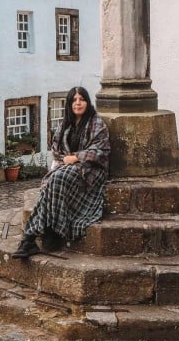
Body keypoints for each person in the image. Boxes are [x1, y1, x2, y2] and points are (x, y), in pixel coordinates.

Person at [12, 86, 110, 258]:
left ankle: (45, 233)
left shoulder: (96, 123)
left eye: (82, 99)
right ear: (70, 104)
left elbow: (101, 150)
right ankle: (31, 239)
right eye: (74, 100)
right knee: (53, 182)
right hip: (65, 167)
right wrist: (65, 160)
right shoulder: (65, 124)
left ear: (87, 102)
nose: (78, 103)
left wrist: (76, 157)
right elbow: (56, 150)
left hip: (90, 170)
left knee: (57, 178)